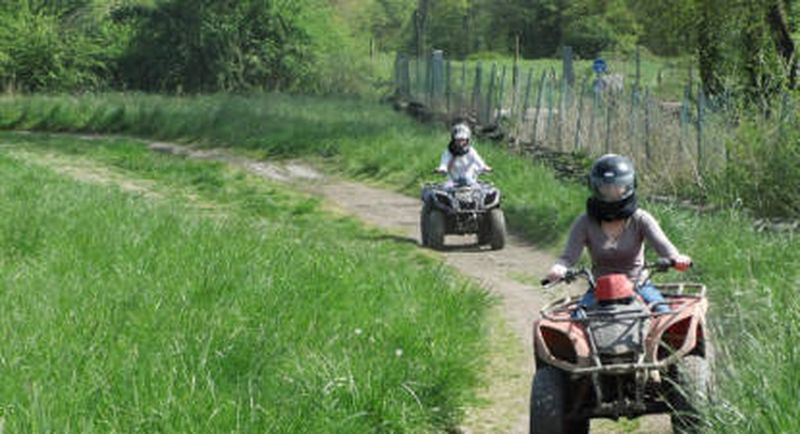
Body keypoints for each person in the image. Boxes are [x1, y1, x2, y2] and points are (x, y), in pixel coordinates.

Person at [544, 154, 692, 313]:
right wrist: (559, 268)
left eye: (617, 186)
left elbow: (665, 248)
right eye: (605, 187)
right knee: (575, 325)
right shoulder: (585, 221)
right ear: (595, 187)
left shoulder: (640, 219)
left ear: (629, 186)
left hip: (638, 285)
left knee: (665, 317)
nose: (611, 191)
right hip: (600, 290)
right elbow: (568, 257)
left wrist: (677, 259)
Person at [434, 123, 492, 187]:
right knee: (446, 188)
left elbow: (478, 160)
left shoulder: (471, 151)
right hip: (453, 180)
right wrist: (442, 169)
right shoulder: (448, 152)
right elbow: (444, 162)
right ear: (453, 139)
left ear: (467, 140)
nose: (460, 143)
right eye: (458, 140)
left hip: (470, 179)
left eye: (463, 140)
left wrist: (484, 167)